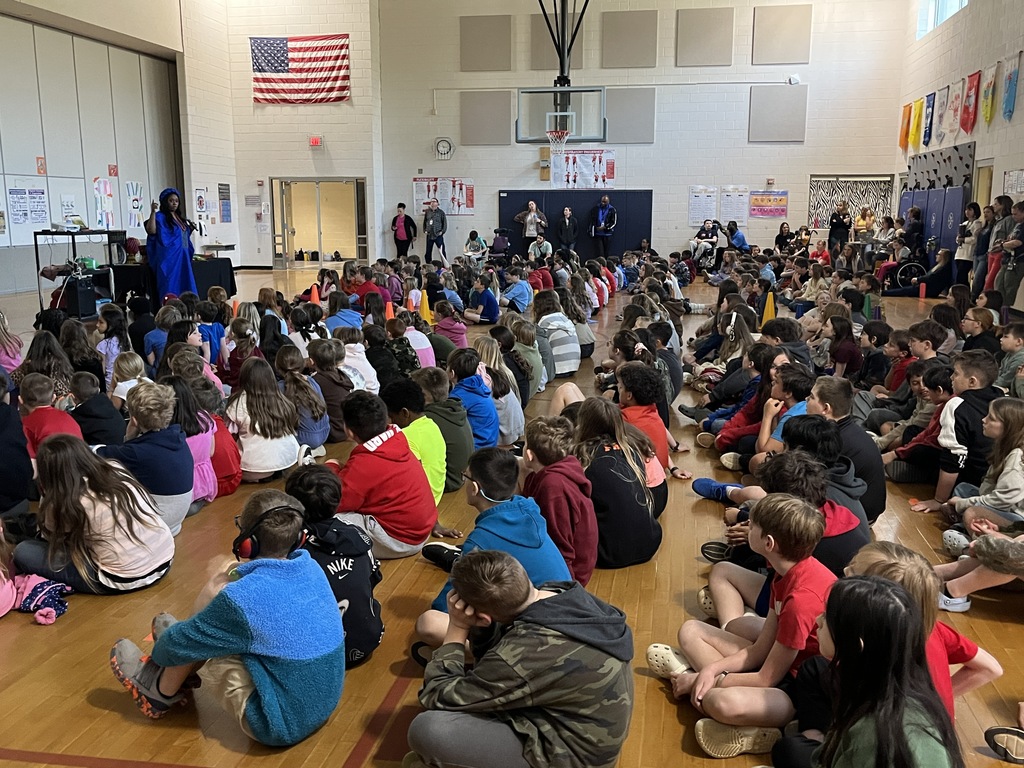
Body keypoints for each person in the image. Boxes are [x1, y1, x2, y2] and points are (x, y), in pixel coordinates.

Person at [108, 489, 345, 744]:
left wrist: (209, 596)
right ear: (299, 539)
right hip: (321, 704)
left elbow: (165, 650)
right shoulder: (310, 566)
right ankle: (187, 648)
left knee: (204, 643)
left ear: (247, 542)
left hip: (279, 724)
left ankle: (157, 692)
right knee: (226, 633)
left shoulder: (241, 600)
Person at [647, 493, 834, 760]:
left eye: (752, 524)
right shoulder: (784, 572)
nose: (747, 527)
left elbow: (766, 677)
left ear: (768, 543)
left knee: (719, 702)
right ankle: (708, 688)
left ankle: (763, 726)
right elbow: (759, 650)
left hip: (800, 691)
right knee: (690, 630)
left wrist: (703, 680)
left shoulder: (801, 599)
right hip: (778, 664)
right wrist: (712, 670)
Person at [405, 550, 634, 768]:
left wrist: (457, 627)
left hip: (574, 756)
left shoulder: (525, 652)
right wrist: (482, 630)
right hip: (588, 729)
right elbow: (491, 658)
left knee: (427, 730)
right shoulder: (562, 592)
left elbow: (437, 694)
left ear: (483, 618)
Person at [415, 447, 571, 644]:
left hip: (542, 634)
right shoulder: (529, 510)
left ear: (474, 488)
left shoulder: (481, 540)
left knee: (428, 623)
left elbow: (447, 604)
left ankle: (475, 656)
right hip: (568, 607)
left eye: (466, 476)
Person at [809, 577, 965, 768]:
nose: (818, 620)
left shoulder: (875, 734)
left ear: (855, 645)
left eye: (827, 616)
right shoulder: (900, 691)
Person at [13, 434, 173, 594]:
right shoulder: (114, 468)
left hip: (122, 578)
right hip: (164, 559)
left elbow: (49, 538)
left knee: (24, 551)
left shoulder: (66, 501)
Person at [284, 465, 384, 668]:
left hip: (320, 656)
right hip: (368, 639)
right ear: (338, 500)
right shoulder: (357, 535)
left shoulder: (293, 551)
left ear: (292, 506)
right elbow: (373, 580)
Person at [326, 391, 436, 559]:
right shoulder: (397, 439)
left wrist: (331, 466)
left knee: (321, 515)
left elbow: (335, 501)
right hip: (420, 532)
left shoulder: (364, 462)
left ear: (348, 431)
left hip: (397, 541)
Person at [573, 397, 663, 567]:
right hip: (650, 543)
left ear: (584, 423)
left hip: (608, 553)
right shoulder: (631, 450)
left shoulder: (583, 456)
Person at [96, 381, 194, 536]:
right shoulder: (179, 438)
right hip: (175, 521)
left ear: (134, 420)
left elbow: (96, 454)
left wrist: (128, 437)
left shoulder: (136, 452)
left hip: (155, 524)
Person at [522, 416, 598, 586]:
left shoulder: (553, 487)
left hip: (569, 573)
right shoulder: (558, 470)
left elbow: (561, 544)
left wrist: (566, 591)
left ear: (529, 454)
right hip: (567, 562)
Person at [224, 357, 300, 483]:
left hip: (252, 469)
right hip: (288, 460)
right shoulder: (282, 400)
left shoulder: (237, 404)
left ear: (244, 378)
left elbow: (229, 437)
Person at [381, 378, 447, 505]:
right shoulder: (432, 425)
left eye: (391, 416)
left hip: (419, 504)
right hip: (435, 497)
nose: (389, 422)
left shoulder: (406, 436)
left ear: (405, 413)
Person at [144, 188, 197, 301]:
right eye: (171, 200)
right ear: (165, 201)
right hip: (169, 259)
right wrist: (153, 212)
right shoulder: (160, 216)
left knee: (185, 282)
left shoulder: (180, 218)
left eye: (176, 201)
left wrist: (190, 229)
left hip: (182, 257)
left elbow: (182, 237)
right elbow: (151, 231)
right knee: (170, 283)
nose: (174, 203)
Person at [19, 373, 83, 463]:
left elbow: (32, 465)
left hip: (50, 472)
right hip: (80, 467)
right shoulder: (69, 418)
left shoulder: (26, 425)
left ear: (20, 400)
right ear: (53, 398)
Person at [448, 348, 499, 449]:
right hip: (490, 442)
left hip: (477, 448)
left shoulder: (458, 396)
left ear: (452, 373)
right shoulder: (479, 383)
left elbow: (449, 423)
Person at [68, 371, 126, 446]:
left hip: (99, 455)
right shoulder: (109, 406)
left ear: (73, 397)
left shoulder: (78, 419)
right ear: (98, 389)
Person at [422, 199, 448, 265]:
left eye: (434, 202)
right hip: (430, 235)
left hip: (438, 235)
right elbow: (425, 222)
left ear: (437, 203)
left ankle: (445, 265)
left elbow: (444, 223)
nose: (433, 203)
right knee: (428, 252)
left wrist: (442, 232)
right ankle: (428, 265)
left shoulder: (441, 212)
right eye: (432, 202)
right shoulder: (427, 212)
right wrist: (425, 230)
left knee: (442, 251)